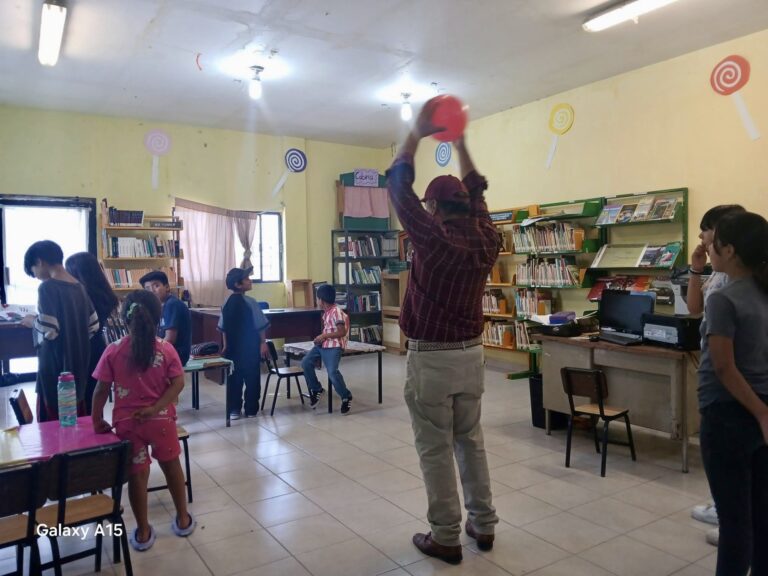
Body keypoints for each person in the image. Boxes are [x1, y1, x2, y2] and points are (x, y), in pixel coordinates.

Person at [385, 97, 500, 565]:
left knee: (434, 448)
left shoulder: (431, 237)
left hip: (432, 357)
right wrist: (462, 142)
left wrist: (416, 133)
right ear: (467, 205)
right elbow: (478, 190)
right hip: (472, 355)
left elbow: (398, 186)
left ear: (432, 205)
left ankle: (446, 535)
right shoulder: (488, 237)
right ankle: (484, 523)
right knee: (470, 440)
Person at [91, 290, 196, 552]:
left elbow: (101, 389)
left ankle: (143, 532)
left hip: (128, 425)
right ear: (158, 317)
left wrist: (96, 419)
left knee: (137, 476)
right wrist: (156, 407)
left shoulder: (113, 350)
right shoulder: (166, 349)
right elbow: (178, 383)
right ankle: (183, 519)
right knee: (172, 467)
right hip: (161, 423)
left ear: (125, 318)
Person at [697, 211, 768, 575]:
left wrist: (760, 412)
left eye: (715, 244)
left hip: (729, 415)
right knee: (761, 516)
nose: (708, 249)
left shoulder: (723, 298)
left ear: (729, 251)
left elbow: (723, 367)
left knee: (735, 524)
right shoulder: (762, 291)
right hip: (760, 409)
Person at [686, 204, 745, 543]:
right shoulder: (718, 273)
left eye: (705, 229)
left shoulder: (741, 280)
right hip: (714, 368)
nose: (700, 236)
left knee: (728, 446)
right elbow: (695, 309)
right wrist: (696, 270)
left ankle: (731, 520)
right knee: (719, 447)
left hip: (729, 373)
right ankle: (722, 506)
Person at [21, 240, 99, 421]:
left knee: (51, 421)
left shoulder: (47, 287)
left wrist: (32, 321)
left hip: (55, 366)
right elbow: (93, 325)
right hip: (79, 364)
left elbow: (50, 329)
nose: (36, 276)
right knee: (74, 417)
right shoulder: (79, 287)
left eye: (33, 271)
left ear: (39, 261)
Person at [65, 251, 119, 414]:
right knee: (93, 400)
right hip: (97, 348)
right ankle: (95, 425)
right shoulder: (104, 295)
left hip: (84, 351)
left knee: (82, 399)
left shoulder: (82, 297)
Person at [218, 267, 270, 420]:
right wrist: (263, 342)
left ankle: (234, 409)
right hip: (250, 347)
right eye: (247, 279)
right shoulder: (251, 302)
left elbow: (222, 328)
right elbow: (260, 326)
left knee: (234, 378)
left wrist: (225, 345)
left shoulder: (226, 302)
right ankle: (251, 409)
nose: (250, 281)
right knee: (252, 378)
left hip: (233, 348)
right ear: (238, 284)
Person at [301, 284, 352, 414]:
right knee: (306, 362)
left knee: (332, 373)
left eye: (317, 299)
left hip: (334, 346)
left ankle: (346, 396)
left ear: (321, 300)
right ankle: (317, 389)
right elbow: (329, 330)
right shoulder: (326, 313)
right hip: (322, 345)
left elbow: (341, 332)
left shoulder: (336, 312)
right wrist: (320, 338)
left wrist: (324, 336)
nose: (317, 301)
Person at [139, 270, 191, 366]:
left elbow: (170, 339)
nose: (152, 291)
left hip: (177, 355)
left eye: (156, 286)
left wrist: (151, 352)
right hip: (168, 352)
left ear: (167, 287)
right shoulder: (161, 306)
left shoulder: (172, 304)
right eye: (147, 288)